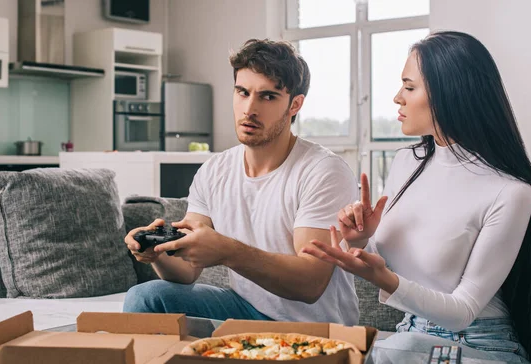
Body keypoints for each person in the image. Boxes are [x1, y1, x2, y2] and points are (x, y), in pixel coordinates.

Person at [302, 31, 531, 363]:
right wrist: (362, 239)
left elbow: (462, 311)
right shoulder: (407, 162)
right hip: (410, 335)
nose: (397, 97)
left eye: (409, 87)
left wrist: (387, 281)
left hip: (481, 347)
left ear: (450, 93)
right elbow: (390, 260)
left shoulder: (511, 192)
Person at [122, 39, 361, 326]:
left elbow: (310, 284)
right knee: (144, 297)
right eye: (242, 92)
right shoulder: (215, 170)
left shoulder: (323, 171)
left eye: (268, 97)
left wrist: (228, 250)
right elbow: (185, 271)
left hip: (312, 327)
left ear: (295, 105)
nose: (249, 109)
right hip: (245, 311)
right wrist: (156, 251)